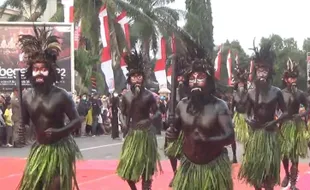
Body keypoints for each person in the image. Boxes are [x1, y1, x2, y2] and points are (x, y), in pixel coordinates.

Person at [17, 26, 82, 190]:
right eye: (36, 69)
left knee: (55, 186)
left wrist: (59, 132)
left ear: (51, 72)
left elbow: (77, 121)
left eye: (44, 69)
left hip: (60, 147)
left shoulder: (61, 95)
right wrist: (21, 130)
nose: (39, 73)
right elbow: (24, 122)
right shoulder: (25, 96)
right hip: (40, 148)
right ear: (30, 72)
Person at [166, 38, 235, 190]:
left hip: (213, 165)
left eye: (200, 78)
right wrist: (170, 133)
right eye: (192, 78)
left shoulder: (219, 106)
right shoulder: (181, 106)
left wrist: (209, 139)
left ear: (209, 81)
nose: (195, 82)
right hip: (189, 166)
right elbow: (174, 132)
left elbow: (230, 136)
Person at [238, 41, 289, 190]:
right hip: (256, 136)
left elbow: (285, 111)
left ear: (269, 71)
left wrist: (276, 121)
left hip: (270, 135)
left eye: (264, 70)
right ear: (256, 71)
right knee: (255, 172)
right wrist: (249, 121)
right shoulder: (251, 93)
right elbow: (246, 113)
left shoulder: (276, 92)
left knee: (268, 173)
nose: (261, 73)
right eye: (259, 70)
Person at [116, 50, 162, 190]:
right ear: (130, 79)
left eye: (139, 76)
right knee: (127, 170)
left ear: (143, 78)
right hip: (132, 134)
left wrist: (150, 120)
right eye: (134, 76)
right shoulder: (126, 96)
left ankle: (146, 187)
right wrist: (124, 124)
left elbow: (157, 112)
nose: (137, 79)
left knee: (147, 169)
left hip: (146, 134)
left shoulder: (149, 96)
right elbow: (122, 113)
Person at [280, 58, 309, 190]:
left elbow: (309, 107)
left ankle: (293, 183)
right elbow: (274, 108)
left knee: (295, 155)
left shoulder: (300, 94)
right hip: (285, 126)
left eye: (295, 78)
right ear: (286, 79)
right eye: (291, 78)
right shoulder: (280, 94)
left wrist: (301, 115)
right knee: (285, 155)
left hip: (296, 126)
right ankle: (286, 174)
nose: (294, 80)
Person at [164, 55, 187, 187]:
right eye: (178, 78)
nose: (180, 80)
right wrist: (169, 119)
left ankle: (184, 174)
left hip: (188, 126)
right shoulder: (174, 93)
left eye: (182, 78)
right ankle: (175, 173)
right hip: (175, 126)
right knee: (171, 151)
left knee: (186, 153)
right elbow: (170, 108)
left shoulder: (190, 91)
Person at [230, 65, 250, 163]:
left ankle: (246, 154)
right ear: (237, 84)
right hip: (237, 116)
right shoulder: (234, 95)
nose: (241, 85)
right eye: (240, 84)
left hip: (246, 116)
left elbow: (251, 107)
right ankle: (234, 156)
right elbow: (231, 107)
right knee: (233, 137)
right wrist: (231, 119)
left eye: (243, 83)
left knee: (247, 137)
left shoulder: (249, 94)